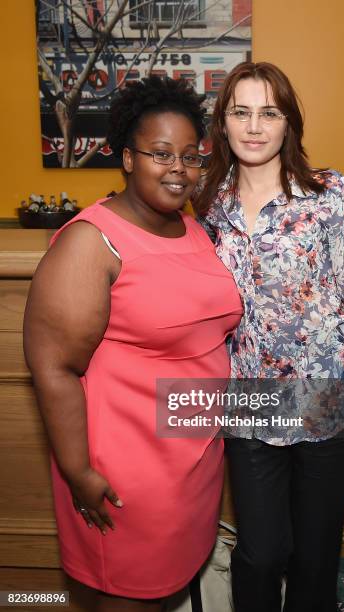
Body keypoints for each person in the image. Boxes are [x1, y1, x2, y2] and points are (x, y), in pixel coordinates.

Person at [23, 76, 242, 612]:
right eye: (160, 153)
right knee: (131, 596)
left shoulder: (188, 226)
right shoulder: (89, 241)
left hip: (191, 457)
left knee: (167, 589)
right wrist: (78, 472)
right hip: (128, 467)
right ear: (126, 157)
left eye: (191, 157)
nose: (179, 169)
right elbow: (54, 366)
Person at [194, 61, 344, 612]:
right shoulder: (207, 203)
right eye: (241, 113)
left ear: (288, 123)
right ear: (224, 124)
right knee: (259, 552)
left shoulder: (329, 193)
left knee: (316, 556)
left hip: (332, 397)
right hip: (253, 402)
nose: (254, 127)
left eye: (269, 113)